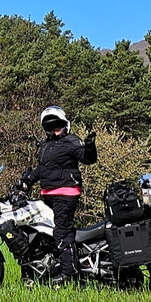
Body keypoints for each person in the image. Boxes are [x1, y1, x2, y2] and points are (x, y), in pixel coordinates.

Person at [21, 106, 97, 284]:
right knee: (44, 233)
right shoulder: (46, 146)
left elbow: (88, 158)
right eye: (50, 128)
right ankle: (51, 267)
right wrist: (26, 183)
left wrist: (90, 145)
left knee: (62, 232)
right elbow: (41, 169)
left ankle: (69, 274)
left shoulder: (72, 141)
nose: (54, 131)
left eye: (57, 127)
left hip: (66, 194)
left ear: (65, 125)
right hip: (48, 195)